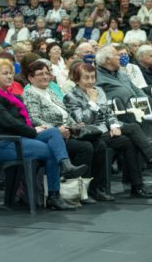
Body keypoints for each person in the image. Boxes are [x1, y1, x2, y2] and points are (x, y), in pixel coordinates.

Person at [0, 58, 87, 210]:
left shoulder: (12, 96)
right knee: (51, 151)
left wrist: (37, 128)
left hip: (20, 138)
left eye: (11, 73)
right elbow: (9, 122)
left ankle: (66, 165)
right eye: (5, 73)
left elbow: (20, 121)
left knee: (53, 132)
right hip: (4, 144)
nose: (10, 76)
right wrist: (33, 130)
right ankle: (54, 195)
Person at [64, 62, 152, 199]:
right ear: (77, 79)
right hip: (91, 133)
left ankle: (138, 185)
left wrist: (113, 126)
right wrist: (92, 102)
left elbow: (108, 113)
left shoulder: (98, 91)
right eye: (86, 78)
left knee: (129, 142)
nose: (91, 81)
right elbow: (83, 121)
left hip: (106, 129)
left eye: (93, 78)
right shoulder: (71, 97)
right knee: (133, 128)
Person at [22, 60, 113, 203]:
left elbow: (66, 114)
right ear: (30, 78)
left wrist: (75, 125)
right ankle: (79, 191)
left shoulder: (51, 92)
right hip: (51, 136)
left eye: (47, 73)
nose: (45, 76)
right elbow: (34, 119)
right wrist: (57, 130)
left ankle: (95, 188)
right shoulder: (29, 94)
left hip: (69, 131)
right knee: (85, 147)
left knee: (99, 144)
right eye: (40, 74)